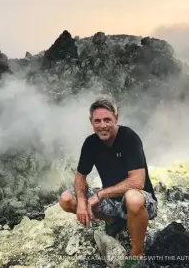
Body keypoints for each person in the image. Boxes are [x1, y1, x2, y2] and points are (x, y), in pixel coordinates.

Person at [59, 95, 158, 261]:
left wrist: (99, 195)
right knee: (66, 199)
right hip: (112, 203)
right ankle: (113, 221)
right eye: (97, 121)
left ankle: (136, 255)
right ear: (91, 122)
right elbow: (80, 176)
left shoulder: (128, 137)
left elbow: (137, 182)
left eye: (107, 120)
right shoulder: (90, 143)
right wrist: (82, 201)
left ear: (116, 119)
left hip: (143, 202)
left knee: (133, 198)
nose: (102, 125)